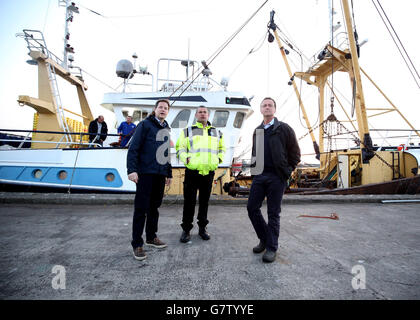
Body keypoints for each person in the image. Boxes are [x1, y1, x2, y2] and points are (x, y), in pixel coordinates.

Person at [247, 97, 301, 263]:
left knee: (273, 213)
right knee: (251, 208)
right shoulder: (258, 130)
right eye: (264, 105)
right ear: (261, 110)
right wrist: (254, 173)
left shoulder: (284, 129)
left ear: (274, 109)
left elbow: (295, 154)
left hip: (276, 177)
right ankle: (264, 238)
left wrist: (287, 171)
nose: (267, 107)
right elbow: (256, 153)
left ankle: (271, 248)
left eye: (270, 105)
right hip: (260, 176)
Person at [127, 99, 172, 261]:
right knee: (141, 208)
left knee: (154, 207)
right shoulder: (145, 125)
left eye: (165, 108)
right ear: (155, 110)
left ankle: (151, 237)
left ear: (168, 112)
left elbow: (166, 153)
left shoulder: (166, 129)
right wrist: (132, 170)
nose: (163, 110)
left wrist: (169, 173)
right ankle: (137, 244)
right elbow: (134, 148)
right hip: (145, 172)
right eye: (160, 107)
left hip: (160, 174)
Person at [176, 106, 225, 243]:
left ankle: (202, 229)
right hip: (192, 171)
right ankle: (186, 230)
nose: (203, 114)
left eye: (205, 112)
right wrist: (186, 159)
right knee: (189, 202)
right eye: (200, 112)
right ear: (196, 115)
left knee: (204, 202)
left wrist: (218, 160)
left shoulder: (216, 132)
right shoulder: (187, 131)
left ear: (208, 115)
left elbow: (222, 148)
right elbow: (180, 148)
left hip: (209, 172)